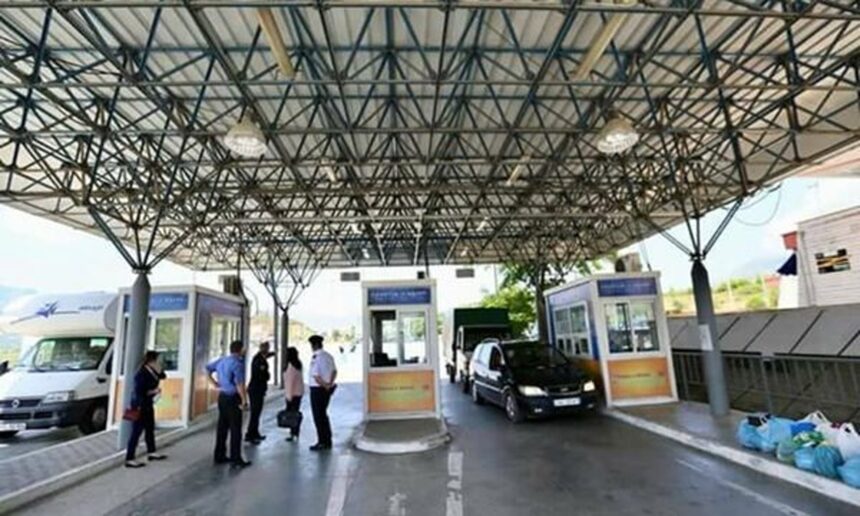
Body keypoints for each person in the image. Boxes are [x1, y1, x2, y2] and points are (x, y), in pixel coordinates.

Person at [206, 340, 251, 468]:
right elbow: (240, 384)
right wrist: (244, 401)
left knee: (222, 427)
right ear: (240, 350)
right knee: (235, 429)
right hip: (233, 398)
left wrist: (214, 383)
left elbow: (207, 369)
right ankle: (236, 459)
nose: (245, 350)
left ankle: (219, 455)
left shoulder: (222, 360)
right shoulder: (237, 364)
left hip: (222, 397)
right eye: (244, 348)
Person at [124, 351, 167, 468]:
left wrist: (159, 369)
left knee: (150, 428)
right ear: (151, 361)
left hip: (148, 404)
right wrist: (153, 391)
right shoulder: (141, 373)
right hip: (139, 405)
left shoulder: (154, 371)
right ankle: (130, 458)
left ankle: (151, 451)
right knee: (136, 431)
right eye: (157, 360)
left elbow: (163, 376)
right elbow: (139, 391)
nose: (159, 362)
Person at [308, 335, 337, 451]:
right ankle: (327, 440)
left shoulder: (316, 357)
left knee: (318, 416)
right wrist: (329, 384)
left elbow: (316, 376)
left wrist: (325, 385)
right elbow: (334, 371)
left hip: (318, 390)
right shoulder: (329, 356)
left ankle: (322, 441)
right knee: (323, 415)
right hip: (326, 389)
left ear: (314, 345)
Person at [245, 341, 273, 443]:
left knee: (257, 413)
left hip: (257, 389)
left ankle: (255, 433)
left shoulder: (259, 358)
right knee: (255, 413)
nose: (268, 350)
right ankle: (250, 435)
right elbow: (262, 375)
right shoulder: (259, 360)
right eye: (267, 348)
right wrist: (268, 375)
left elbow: (267, 356)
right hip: (256, 389)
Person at [282, 347, 304, 442]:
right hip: (298, 393)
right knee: (295, 413)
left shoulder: (290, 367)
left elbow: (290, 383)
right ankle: (295, 432)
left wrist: (288, 396)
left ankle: (293, 433)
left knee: (291, 415)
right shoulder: (298, 365)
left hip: (292, 394)